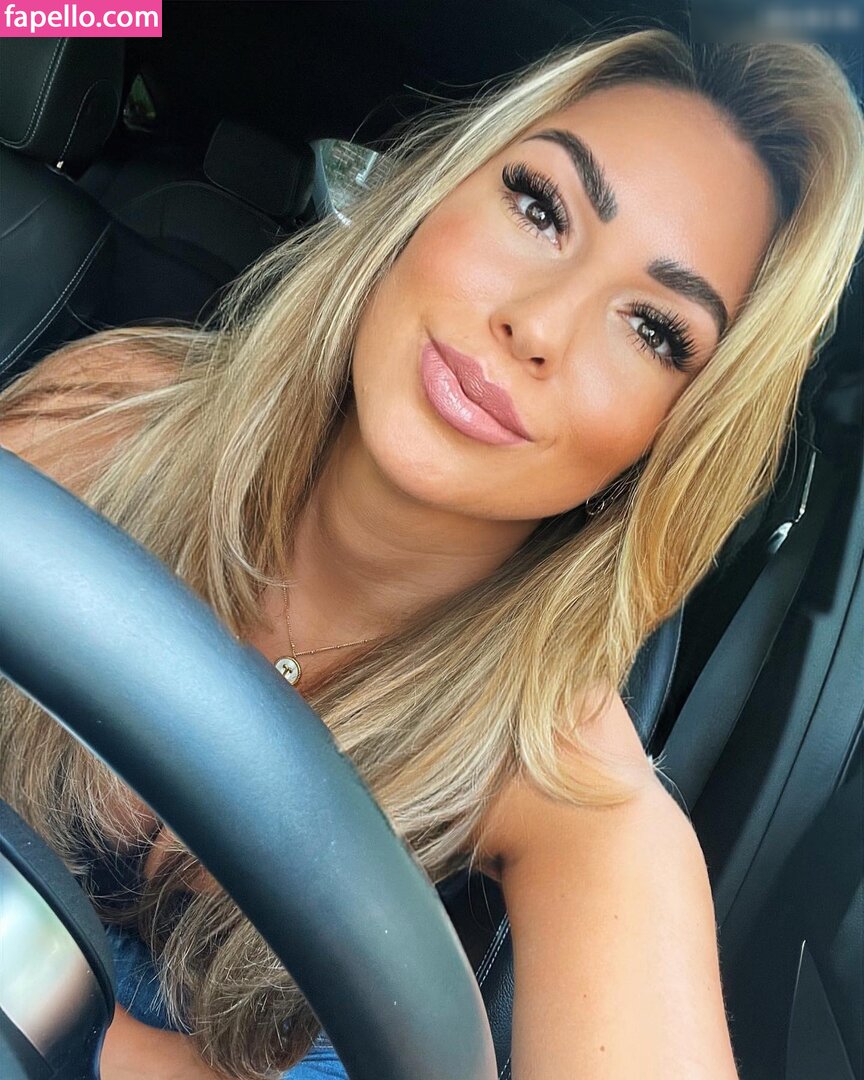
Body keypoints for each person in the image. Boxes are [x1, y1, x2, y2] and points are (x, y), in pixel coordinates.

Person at [1, 25, 862, 1080]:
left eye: (654, 330)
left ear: (672, 438)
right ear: (430, 196)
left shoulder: (566, 782)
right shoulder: (111, 414)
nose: (538, 325)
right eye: (540, 207)